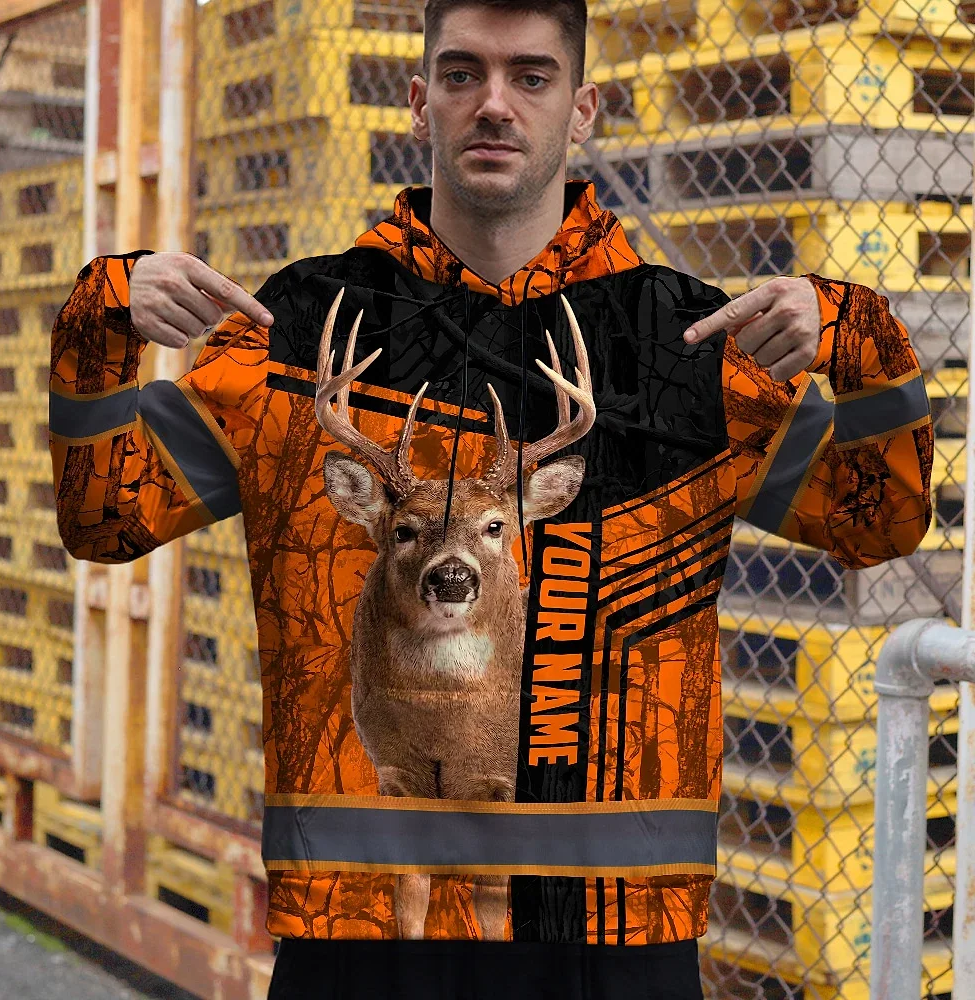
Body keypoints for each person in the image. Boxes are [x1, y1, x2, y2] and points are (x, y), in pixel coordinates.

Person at [48, 1, 934, 996]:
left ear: (582, 108)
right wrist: (101, 321)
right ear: (419, 100)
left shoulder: (683, 347)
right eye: (463, 74)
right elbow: (107, 519)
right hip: (358, 934)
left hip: (613, 940)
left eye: (531, 75)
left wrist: (861, 337)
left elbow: (879, 523)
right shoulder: (299, 334)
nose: (495, 104)